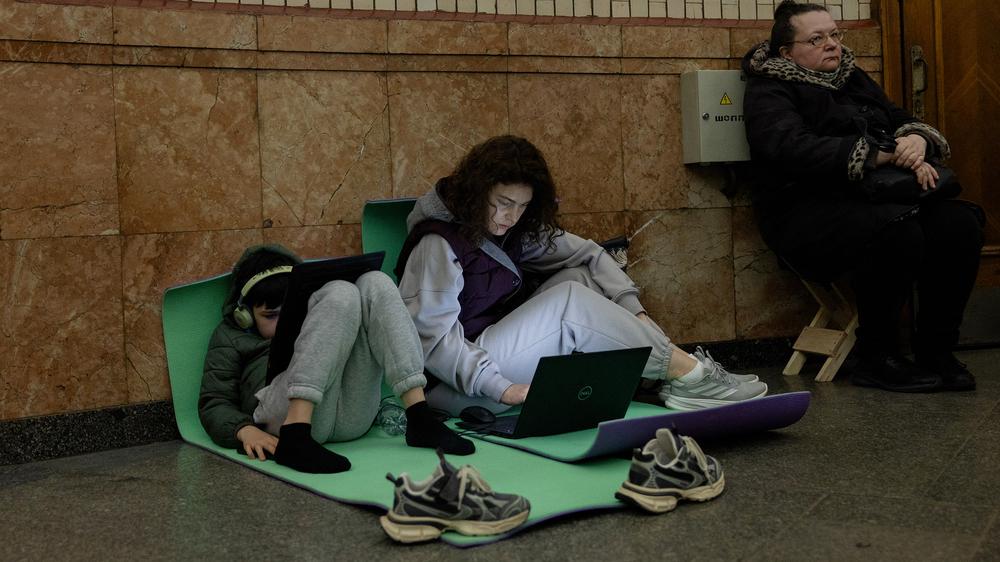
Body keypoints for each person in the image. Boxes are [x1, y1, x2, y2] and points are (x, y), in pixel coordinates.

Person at [394, 135, 768, 416]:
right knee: (569, 302)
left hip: (494, 354)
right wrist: (504, 390)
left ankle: (657, 374)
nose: (510, 217)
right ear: (478, 193)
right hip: (457, 384)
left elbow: (590, 253)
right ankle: (690, 376)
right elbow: (435, 344)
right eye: (503, 204)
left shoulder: (511, 230)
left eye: (522, 207)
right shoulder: (437, 244)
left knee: (579, 277)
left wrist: (635, 311)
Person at [742, 1, 984, 392]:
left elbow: (897, 116)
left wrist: (916, 140)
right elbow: (791, 148)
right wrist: (876, 153)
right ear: (786, 52)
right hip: (804, 214)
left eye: (835, 35)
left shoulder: (850, 77)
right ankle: (877, 356)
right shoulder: (770, 88)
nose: (832, 46)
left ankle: (936, 350)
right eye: (816, 39)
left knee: (960, 224)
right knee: (898, 231)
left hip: (876, 199)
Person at [199, 244, 473, 474]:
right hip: (282, 420)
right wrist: (243, 430)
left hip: (350, 417)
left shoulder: (316, 316)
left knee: (374, 282)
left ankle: (419, 417)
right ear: (244, 315)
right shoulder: (231, 335)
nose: (281, 323)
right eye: (270, 316)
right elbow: (214, 401)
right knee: (341, 292)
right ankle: (297, 434)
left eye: (288, 312)